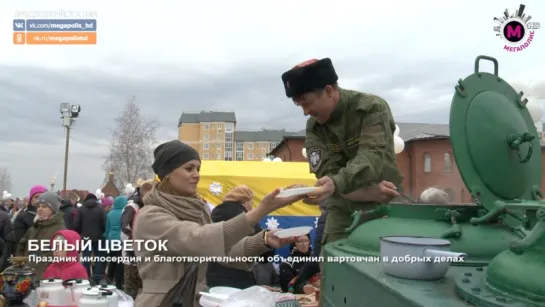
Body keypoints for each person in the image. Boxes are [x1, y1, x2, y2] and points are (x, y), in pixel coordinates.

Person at [132, 140, 304, 307]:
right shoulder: (151, 216)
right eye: (189, 168)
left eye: (198, 169)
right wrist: (259, 211)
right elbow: (196, 240)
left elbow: (224, 253)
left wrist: (264, 240)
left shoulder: (198, 209)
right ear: (167, 172)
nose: (197, 174)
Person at [281, 58, 404, 245]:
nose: (305, 112)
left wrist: (336, 186)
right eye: (300, 106)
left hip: (385, 208)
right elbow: (327, 176)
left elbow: (371, 158)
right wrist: (366, 193)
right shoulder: (315, 127)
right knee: (332, 264)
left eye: (307, 103)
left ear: (329, 91)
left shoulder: (370, 108)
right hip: (343, 211)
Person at [206, 185, 263, 289]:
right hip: (240, 276)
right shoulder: (247, 218)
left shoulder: (211, 216)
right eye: (251, 203)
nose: (252, 207)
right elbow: (263, 248)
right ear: (244, 202)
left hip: (213, 274)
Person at [16, 191, 66, 278]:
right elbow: (21, 245)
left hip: (47, 277)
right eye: (38, 206)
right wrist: (20, 264)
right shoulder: (34, 228)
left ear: (53, 209)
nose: (40, 209)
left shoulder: (60, 230)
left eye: (44, 206)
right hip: (28, 275)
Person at [121, 179, 154, 299]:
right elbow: (125, 228)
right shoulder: (132, 207)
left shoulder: (148, 206)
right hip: (132, 258)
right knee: (132, 292)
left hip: (146, 257)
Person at [74, 193, 106, 284]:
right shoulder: (100, 209)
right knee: (99, 258)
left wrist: (81, 232)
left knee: (86, 259)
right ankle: (97, 278)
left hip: (85, 238)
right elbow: (105, 224)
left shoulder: (81, 209)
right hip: (98, 237)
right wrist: (101, 232)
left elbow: (76, 224)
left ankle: (86, 278)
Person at [105, 196, 127, 289]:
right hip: (120, 240)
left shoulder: (110, 213)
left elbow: (107, 228)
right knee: (119, 263)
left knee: (112, 261)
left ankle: (109, 279)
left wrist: (107, 239)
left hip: (111, 239)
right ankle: (118, 283)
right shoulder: (124, 213)